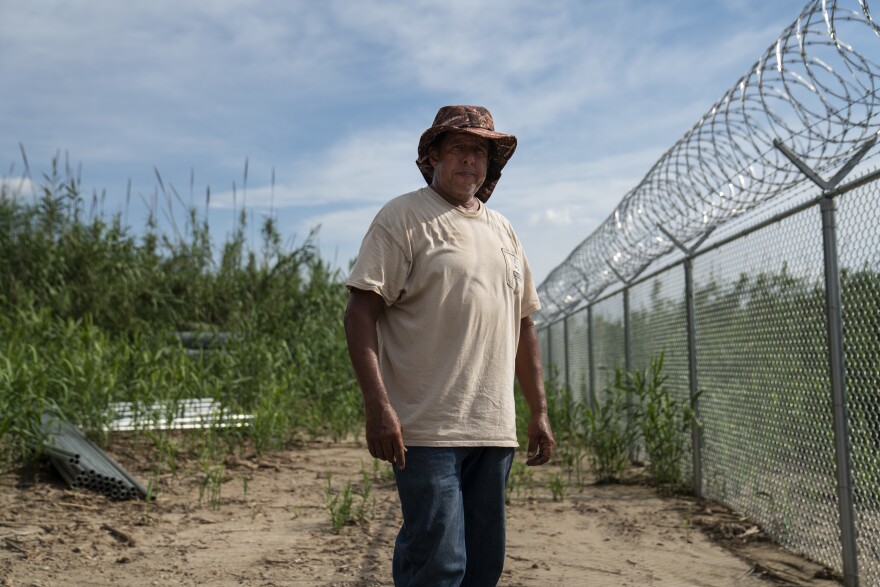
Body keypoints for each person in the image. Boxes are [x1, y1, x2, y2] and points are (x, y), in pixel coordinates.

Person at [343, 105, 555, 587]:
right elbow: (360, 313)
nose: (470, 160)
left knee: (483, 566)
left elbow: (524, 325)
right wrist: (378, 407)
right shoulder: (403, 218)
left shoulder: (504, 230)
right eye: (458, 147)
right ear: (433, 156)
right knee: (439, 564)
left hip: (493, 427)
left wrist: (538, 411)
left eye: (480, 151)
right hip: (425, 429)